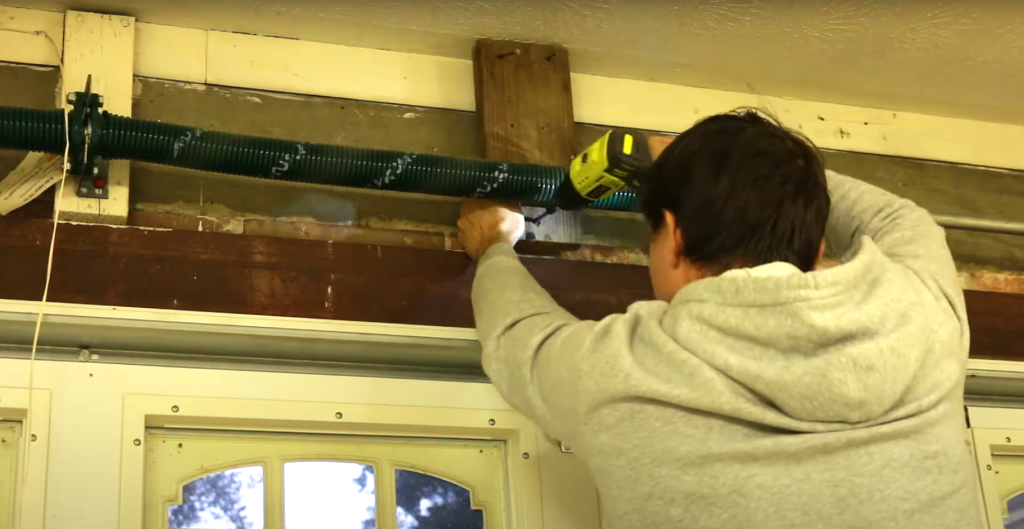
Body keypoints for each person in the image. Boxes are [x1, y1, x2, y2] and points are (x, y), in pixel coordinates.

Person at [456, 111, 984, 529]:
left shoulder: (621, 372)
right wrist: (744, 177)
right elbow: (901, 219)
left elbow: (518, 335)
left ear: (675, 236)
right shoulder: (928, 315)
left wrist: (493, 249)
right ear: (819, 244)